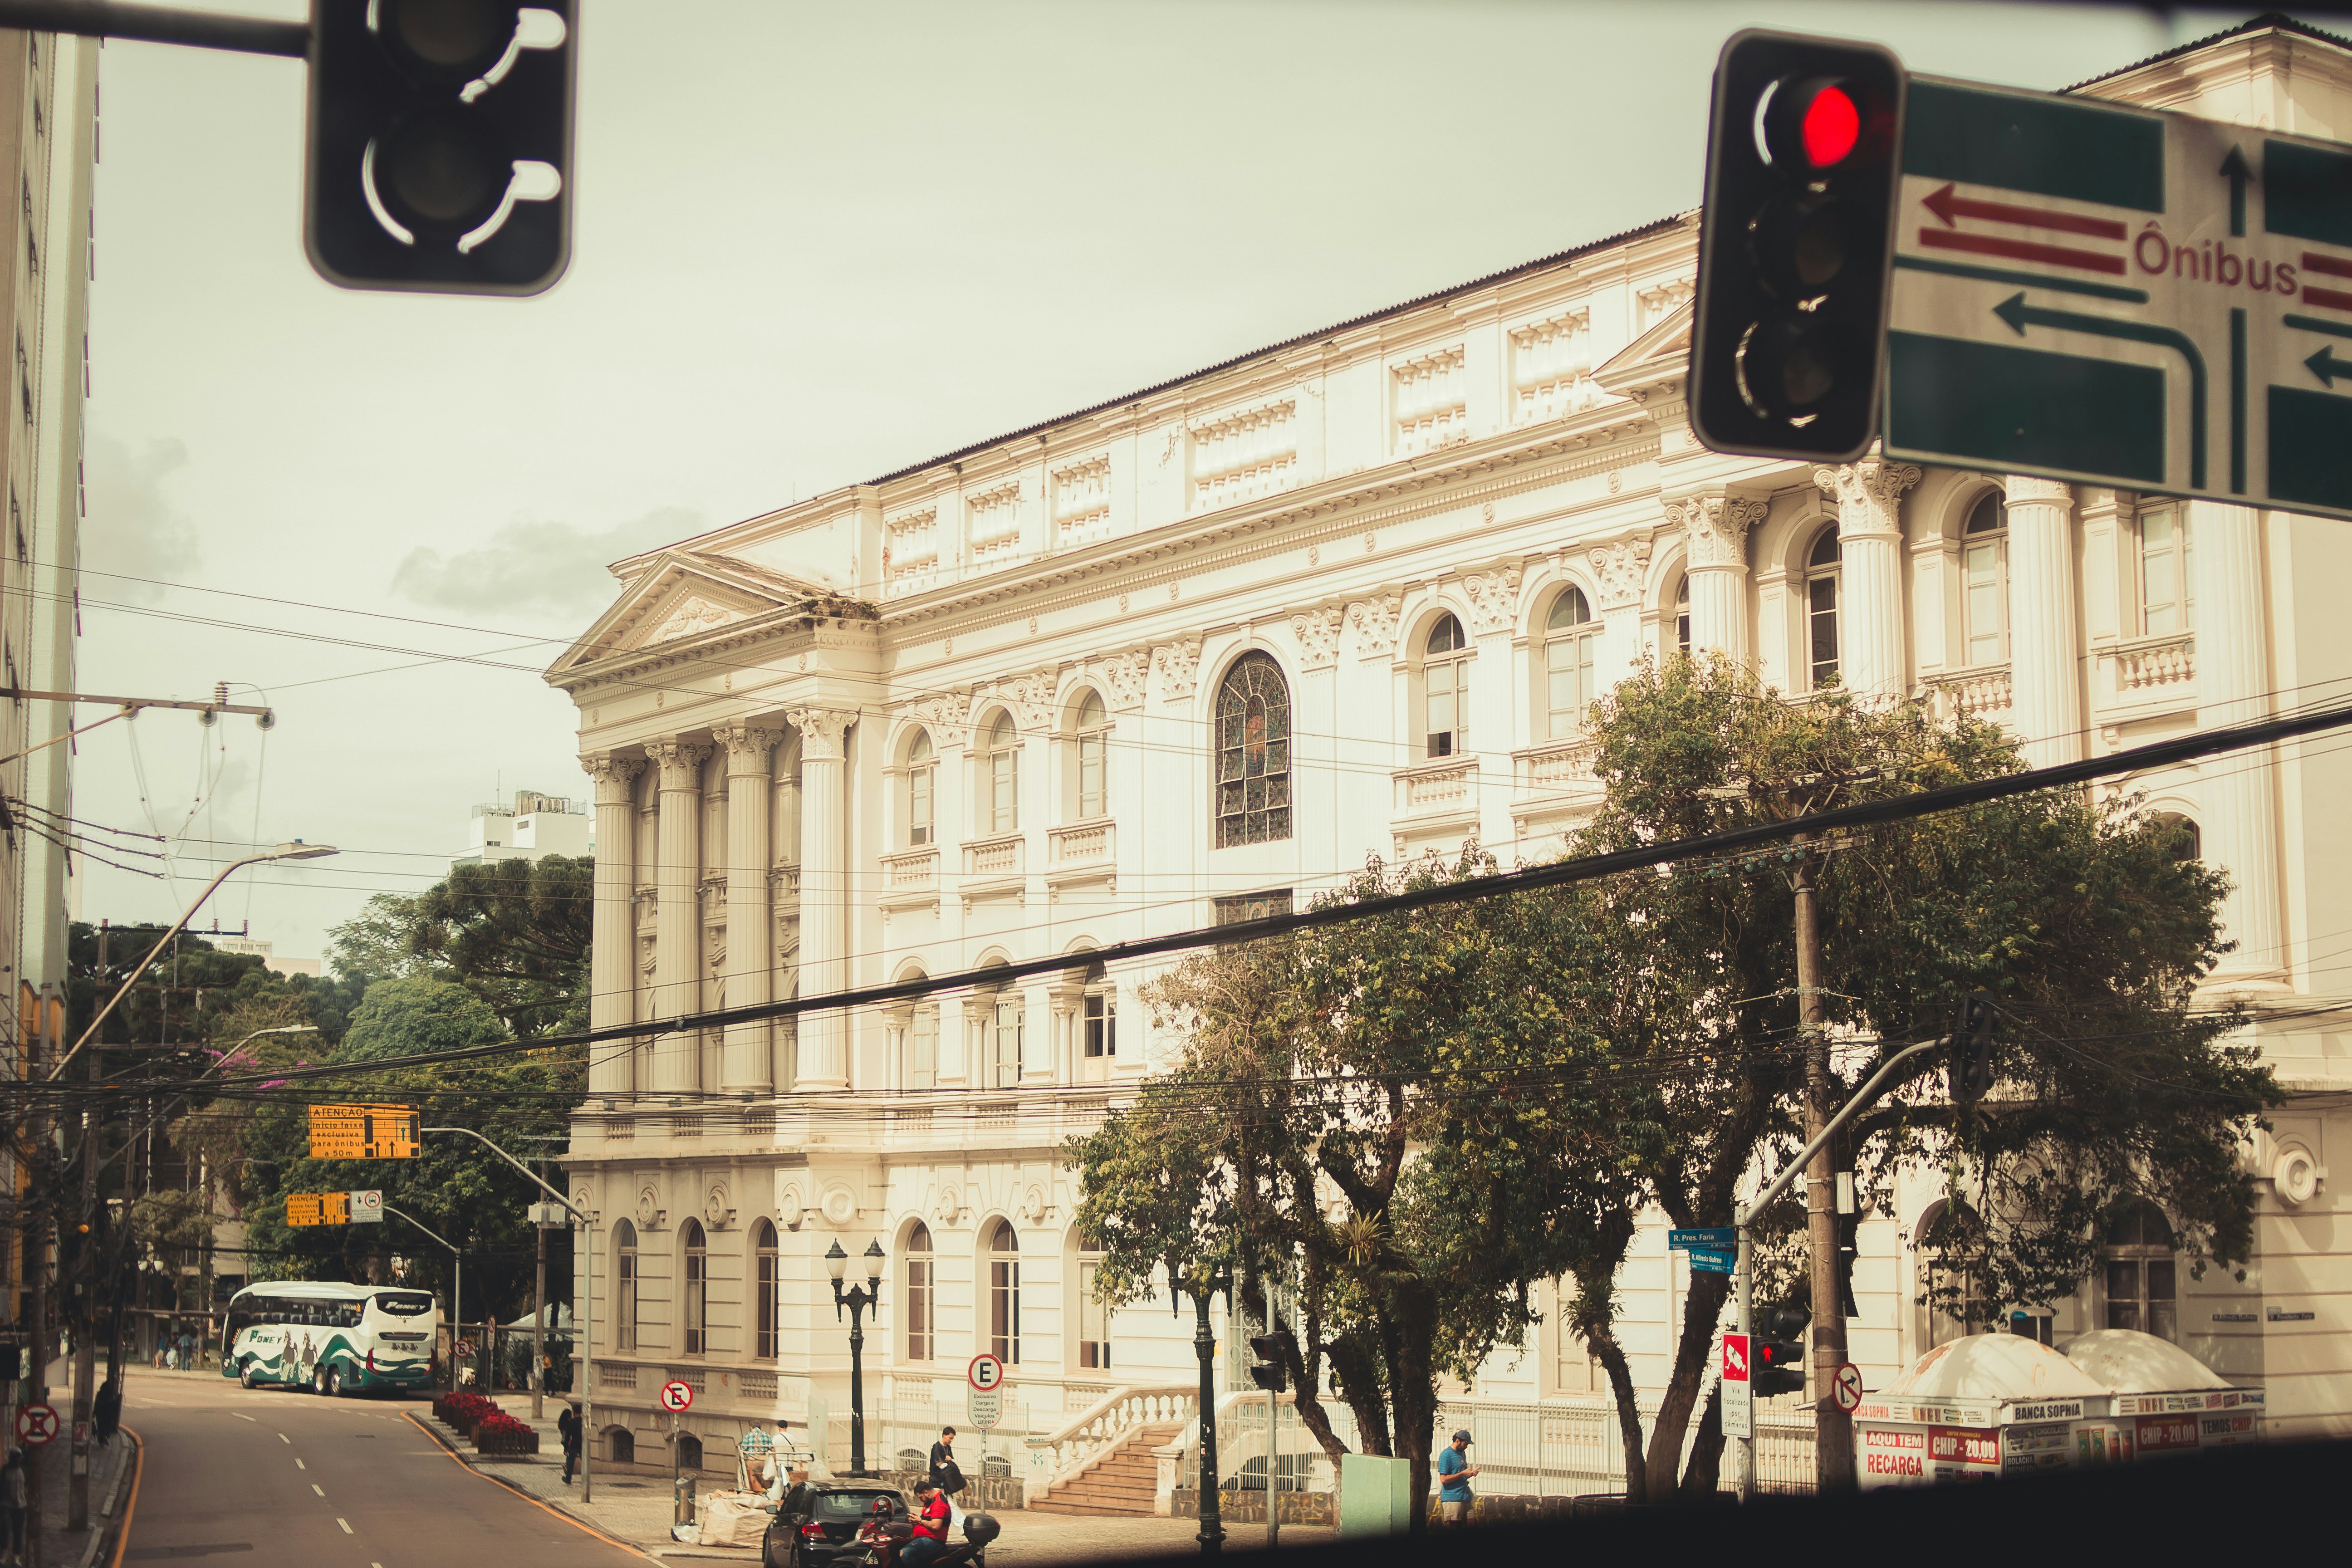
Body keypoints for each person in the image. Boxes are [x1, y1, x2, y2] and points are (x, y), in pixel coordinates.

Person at [899, 1480, 951, 1568]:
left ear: (926, 1493)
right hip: (924, 1538)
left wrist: (920, 1521)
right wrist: (916, 1520)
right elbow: (927, 1519)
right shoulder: (930, 1501)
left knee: (905, 1554)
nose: (921, 1500)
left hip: (934, 1540)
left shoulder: (939, 1503)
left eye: (921, 1497)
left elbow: (936, 1525)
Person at [1436, 1429, 1480, 1525]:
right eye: (1465, 1444)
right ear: (1458, 1441)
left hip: (1465, 1496)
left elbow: (1460, 1474)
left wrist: (1470, 1474)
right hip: (1453, 1498)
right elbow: (1444, 1479)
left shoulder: (1462, 1453)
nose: (1466, 1447)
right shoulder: (1446, 1455)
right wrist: (1462, 1474)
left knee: (1473, 1523)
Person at [2, 1450, 24, 1564]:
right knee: (4, 1529)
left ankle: (16, 1556)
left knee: (18, 1531)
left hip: (20, 1505)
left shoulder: (24, 1469)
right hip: (6, 1504)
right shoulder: (6, 1470)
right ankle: (4, 1553)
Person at [927, 1426, 961, 1495]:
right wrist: (946, 1460)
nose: (951, 1440)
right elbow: (939, 1464)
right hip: (937, 1482)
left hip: (945, 1482)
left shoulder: (948, 1447)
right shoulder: (937, 1447)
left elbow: (950, 1461)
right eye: (950, 1438)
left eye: (953, 1439)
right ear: (944, 1436)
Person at [557, 1401, 583, 1485]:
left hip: (574, 1445)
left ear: (574, 1412)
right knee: (584, 1462)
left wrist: (566, 1448)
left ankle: (568, 1479)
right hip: (583, 1445)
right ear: (581, 1412)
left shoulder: (571, 1423)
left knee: (571, 1463)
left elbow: (568, 1436)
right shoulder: (584, 1422)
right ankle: (586, 1478)